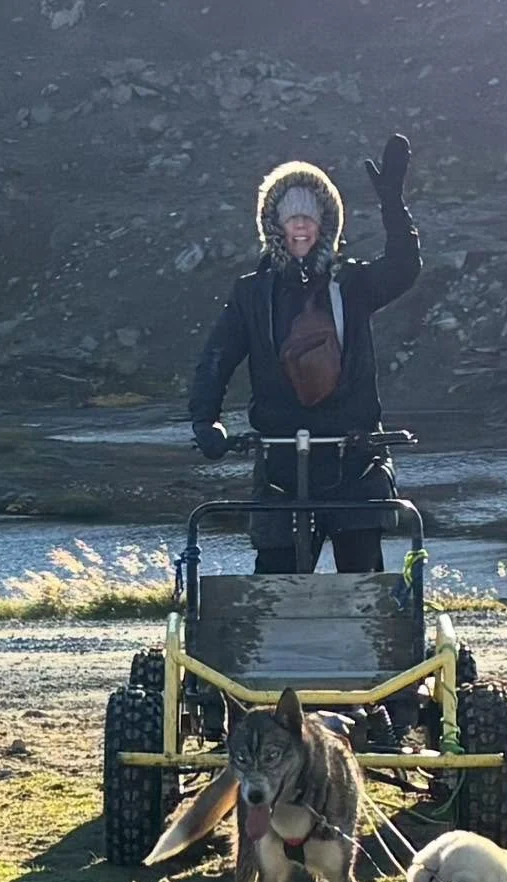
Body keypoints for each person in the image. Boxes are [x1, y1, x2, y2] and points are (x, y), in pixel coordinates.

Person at [188, 135, 420, 574]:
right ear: (273, 223)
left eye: (310, 217)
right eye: (290, 215)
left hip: (355, 458)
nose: (300, 226)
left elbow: (404, 268)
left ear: (325, 224)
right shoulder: (251, 294)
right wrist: (205, 419)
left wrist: (393, 205)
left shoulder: (353, 285)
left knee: (362, 581)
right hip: (280, 465)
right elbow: (216, 359)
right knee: (274, 581)